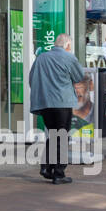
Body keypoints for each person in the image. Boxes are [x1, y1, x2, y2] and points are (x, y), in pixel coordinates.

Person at [27, 34, 90, 184]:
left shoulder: (41, 58)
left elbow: (31, 78)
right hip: (62, 102)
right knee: (62, 136)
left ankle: (46, 167)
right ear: (67, 45)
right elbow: (79, 76)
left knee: (53, 134)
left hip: (45, 103)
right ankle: (58, 173)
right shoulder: (69, 57)